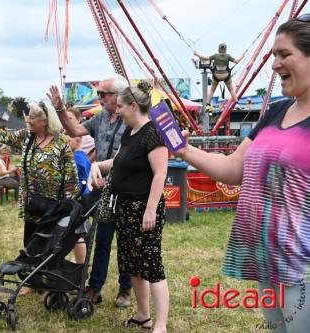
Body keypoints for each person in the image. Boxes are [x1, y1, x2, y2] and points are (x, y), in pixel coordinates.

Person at [178, 16, 310, 333]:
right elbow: (234, 168)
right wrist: (182, 149)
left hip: (302, 266)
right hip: (264, 257)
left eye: (284, 55)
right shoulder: (277, 111)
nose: (275, 65)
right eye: (273, 56)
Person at [91, 82, 169, 332]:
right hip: (124, 208)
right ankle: (143, 315)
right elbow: (119, 160)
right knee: (132, 265)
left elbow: (160, 173)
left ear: (134, 106)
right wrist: (97, 165)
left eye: (121, 106)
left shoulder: (152, 133)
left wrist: (149, 210)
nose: (118, 111)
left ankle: (161, 324)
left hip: (144, 208)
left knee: (151, 265)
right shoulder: (131, 132)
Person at [49, 75, 133, 307]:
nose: (99, 98)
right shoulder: (100, 118)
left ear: (117, 96)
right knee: (102, 238)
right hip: (102, 188)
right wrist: (59, 109)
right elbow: (74, 130)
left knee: (126, 241)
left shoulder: (133, 119)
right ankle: (95, 287)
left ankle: (125, 289)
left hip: (126, 189)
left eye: (102, 94)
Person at [0, 100, 79, 247]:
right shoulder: (26, 136)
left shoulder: (60, 142)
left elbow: (71, 176)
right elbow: (3, 136)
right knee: (30, 244)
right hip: (32, 203)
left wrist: (69, 206)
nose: (27, 120)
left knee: (49, 247)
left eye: (31, 118)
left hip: (54, 206)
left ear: (44, 121)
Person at [67, 135, 90, 264]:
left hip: (79, 196)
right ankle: (80, 260)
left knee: (77, 232)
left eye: (69, 140)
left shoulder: (77, 157)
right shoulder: (83, 156)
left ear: (78, 141)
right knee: (80, 231)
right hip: (83, 194)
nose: (67, 142)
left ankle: (81, 264)